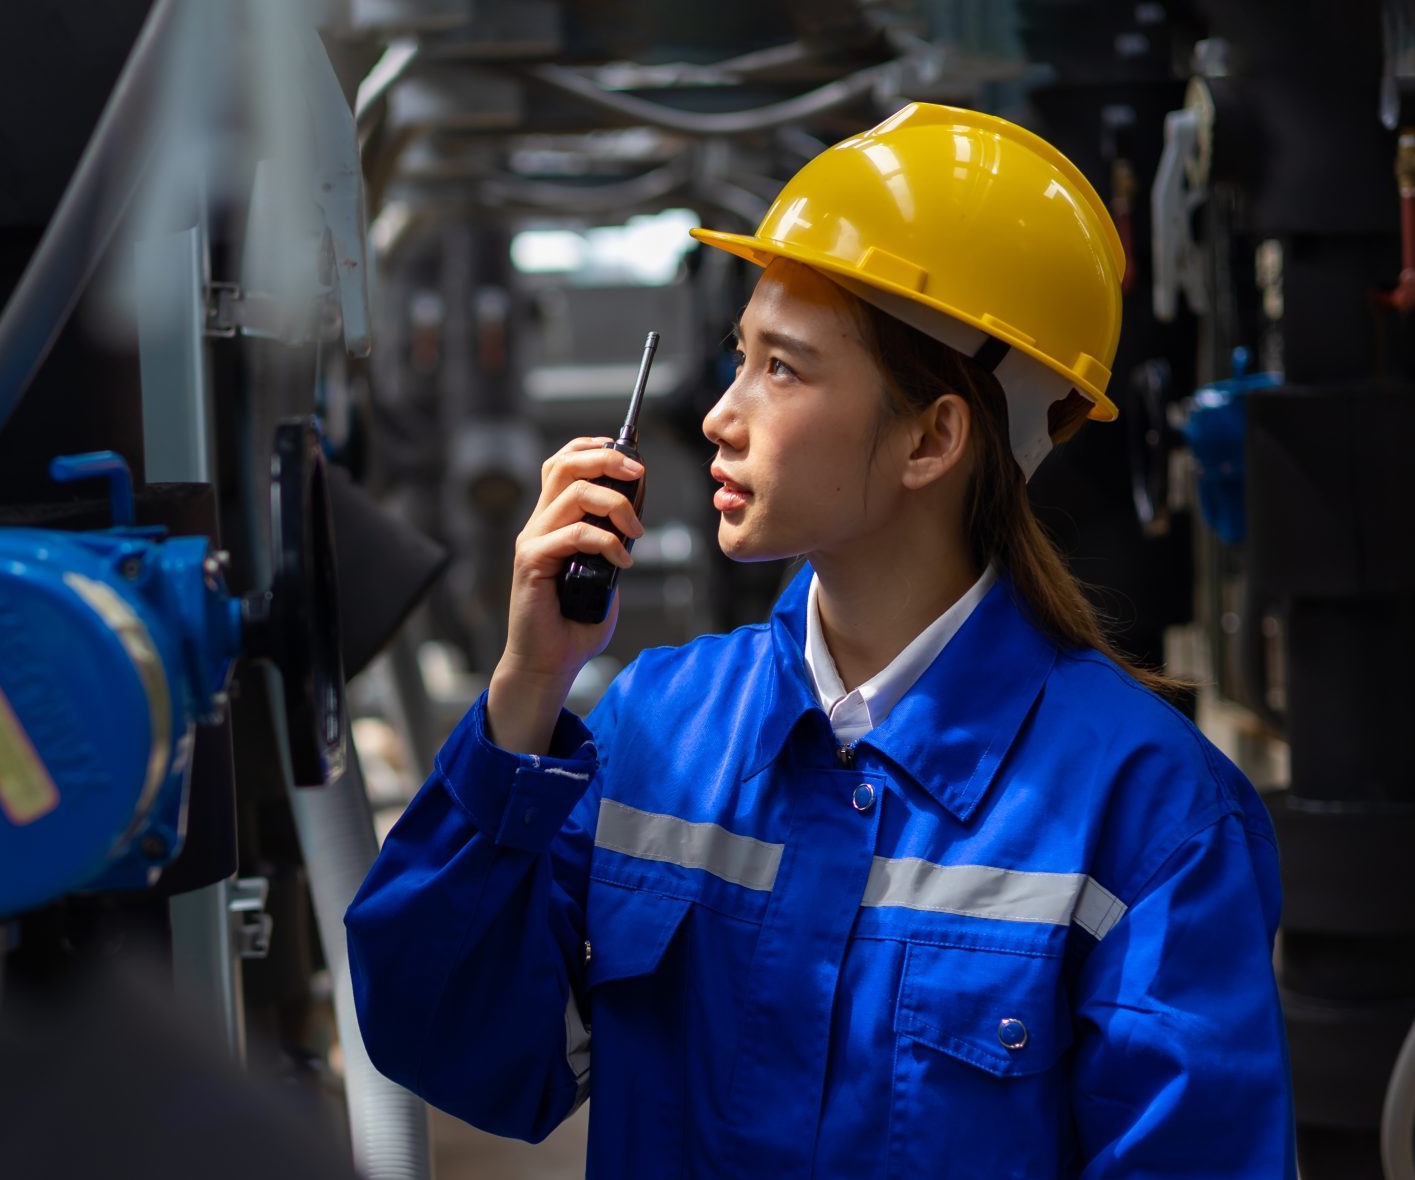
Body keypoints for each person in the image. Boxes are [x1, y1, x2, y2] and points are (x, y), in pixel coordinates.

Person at [345, 103, 1293, 1177]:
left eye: (781, 369)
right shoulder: (656, 732)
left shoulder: (1150, 816)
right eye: (735, 357)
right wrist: (524, 695)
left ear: (933, 436)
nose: (720, 414)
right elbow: (453, 1044)